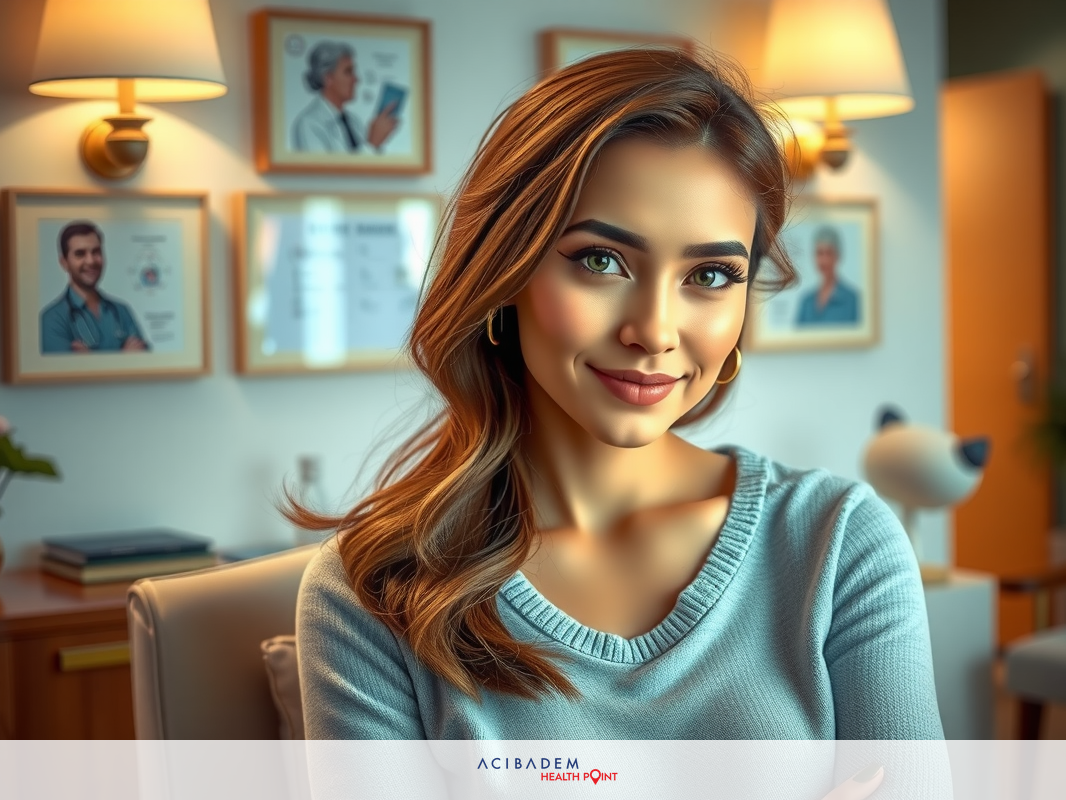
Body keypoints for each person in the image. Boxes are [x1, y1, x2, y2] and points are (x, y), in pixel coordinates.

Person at [294, 49, 942, 744]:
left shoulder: (838, 544)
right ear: (505, 272)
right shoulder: (369, 593)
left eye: (711, 275)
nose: (655, 331)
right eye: (601, 261)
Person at [40, 221, 150, 354]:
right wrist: (124, 356)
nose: (91, 261)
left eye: (96, 252)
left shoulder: (121, 311)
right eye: (80, 254)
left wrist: (89, 359)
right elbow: (63, 367)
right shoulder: (52, 320)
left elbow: (144, 360)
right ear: (64, 263)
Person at [291, 41, 399, 154]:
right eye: (348, 72)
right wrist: (372, 144)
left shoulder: (354, 122)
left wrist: (377, 141)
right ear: (328, 78)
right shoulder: (309, 124)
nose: (356, 79)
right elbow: (323, 166)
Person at [795, 225, 860, 326]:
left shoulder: (852, 300)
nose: (824, 260)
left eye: (829, 253)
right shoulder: (806, 301)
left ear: (837, 256)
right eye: (820, 253)